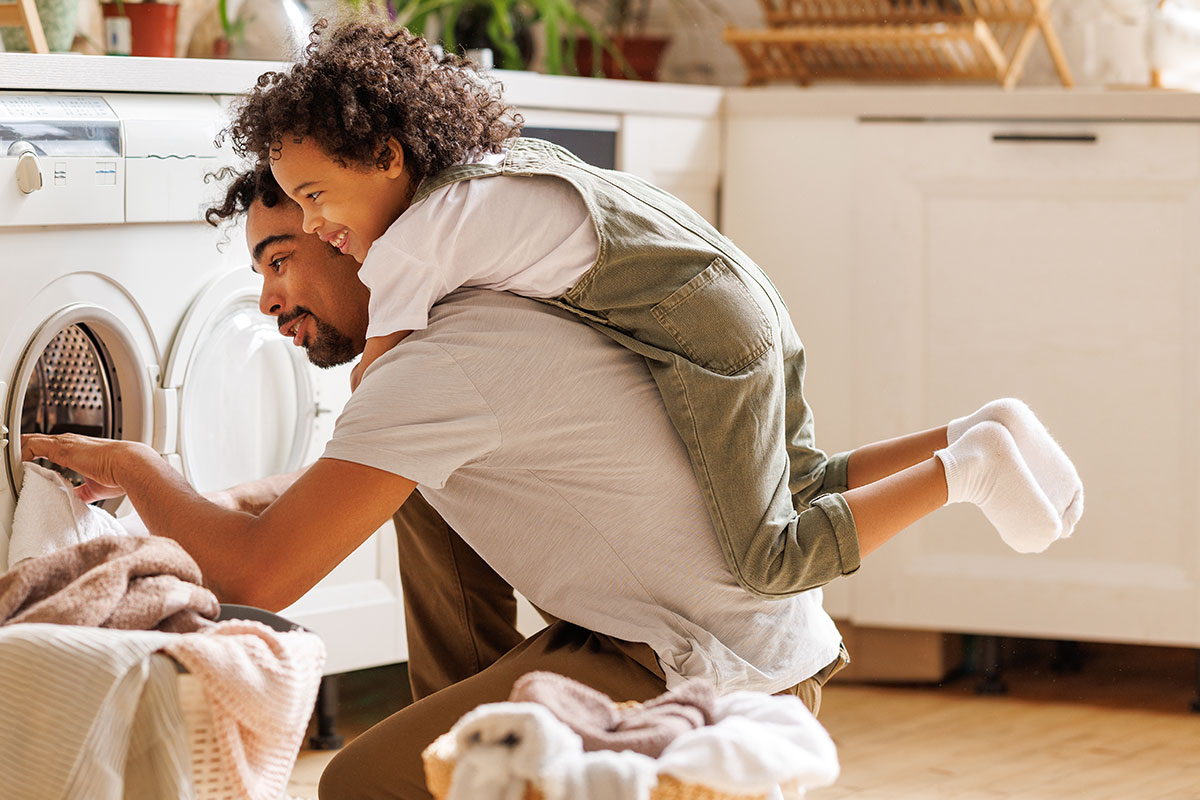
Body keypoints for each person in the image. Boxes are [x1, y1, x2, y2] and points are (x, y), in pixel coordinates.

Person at [23, 161, 1078, 799]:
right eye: (257, 268)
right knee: (411, 489)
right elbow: (333, 489)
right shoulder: (464, 320)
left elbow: (265, 568)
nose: (267, 298)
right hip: (708, 623)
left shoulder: (443, 364)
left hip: (697, 661)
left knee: (356, 785)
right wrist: (223, 493)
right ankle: (468, 744)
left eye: (287, 253)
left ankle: (468, 763)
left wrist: (136, 466)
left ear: (355, 233)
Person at [223, 19, 1084, 602]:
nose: (318, 225)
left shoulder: (417, 243)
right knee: (805, 481)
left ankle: (964, 471)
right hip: (742, 302)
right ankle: (972, 426)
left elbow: (382, 391)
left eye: (314, 197)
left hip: (705, 339)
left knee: (768, 559)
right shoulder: (487, 173)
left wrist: (280, 499)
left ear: (384, 153)